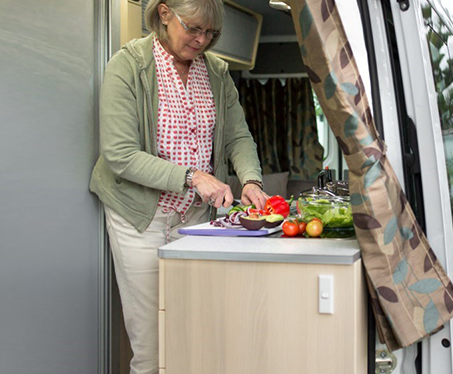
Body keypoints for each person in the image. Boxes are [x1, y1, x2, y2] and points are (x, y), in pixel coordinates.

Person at [89, 0, 268, 372]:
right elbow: (120, 153)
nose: (202, 40)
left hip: (197, 220)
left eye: (211, 33)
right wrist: (192, 176)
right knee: (152, 344)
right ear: (165, 13)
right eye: (194, 29)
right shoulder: (129, 66)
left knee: (196, 332)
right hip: (141, 218)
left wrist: (251, 180)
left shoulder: (216, 73)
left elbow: (237, 137)